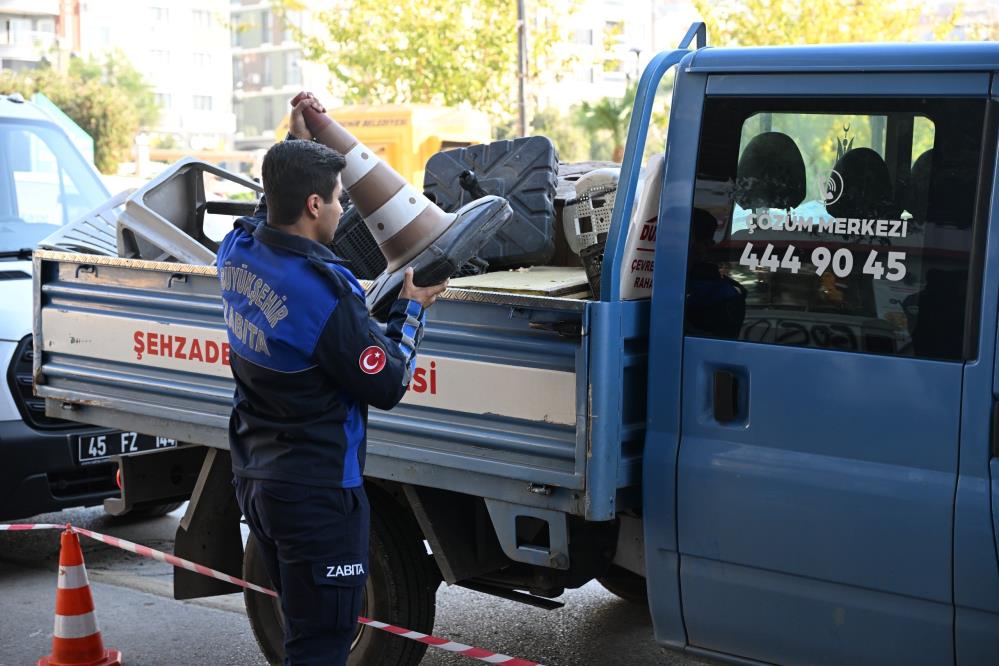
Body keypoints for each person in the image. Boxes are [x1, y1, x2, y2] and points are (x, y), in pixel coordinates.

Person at [216, 92, 448, 665]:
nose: (346, 210)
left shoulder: (236, 251)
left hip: (257, 477)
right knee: (321, 645)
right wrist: (413, 306)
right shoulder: (325, 293)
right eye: (341, 199)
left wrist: (297, 141)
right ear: (315, 204)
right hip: (316, 493)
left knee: (302, 631)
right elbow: (388, 381)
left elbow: (265, 204)